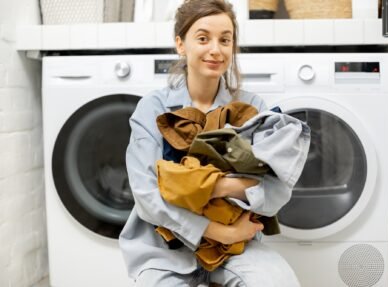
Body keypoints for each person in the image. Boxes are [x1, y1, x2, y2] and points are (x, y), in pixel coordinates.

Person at [119, 0, 302, 286]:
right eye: (203, 38)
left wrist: (192, 186)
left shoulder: (252, 107)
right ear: (181, 44)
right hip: (165, 249)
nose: (216, 49)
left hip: (236, 249)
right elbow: (147, 197)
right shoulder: (153, 109)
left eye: (225, 40)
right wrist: (226, 194)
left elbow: (279, 190)